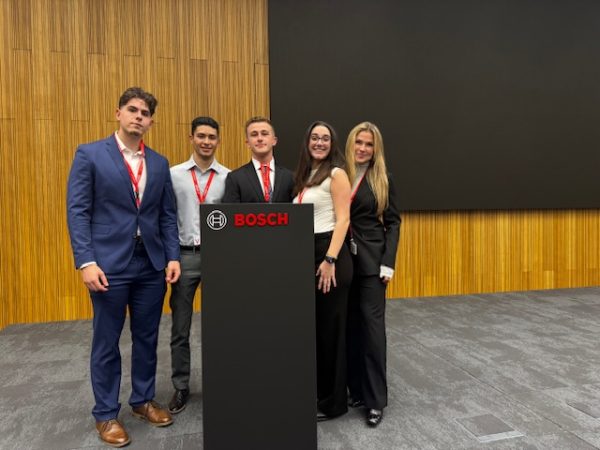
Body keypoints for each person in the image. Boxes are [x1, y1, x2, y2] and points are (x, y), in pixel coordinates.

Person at [67, 87, 181, 447]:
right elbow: (78, 211)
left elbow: (166, 215)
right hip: (108, 264)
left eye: (145, 113)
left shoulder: (159, 163)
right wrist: (86, 261)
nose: (138, 117)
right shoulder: (90, 155)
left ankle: (142, 400)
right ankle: (105, 414)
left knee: (147, 336)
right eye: (132, 110)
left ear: (150, 121)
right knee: (107, 340)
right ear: (118, 113)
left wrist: (173, 256)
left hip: (150, 262)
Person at [167, 116, 230, 414]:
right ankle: (181, 386)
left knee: (221, 326)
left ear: (218, 141)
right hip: (184, 256)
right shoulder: (174, 175)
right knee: (180, 326)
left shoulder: (229, 178)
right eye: (201, 136)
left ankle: (221, 383)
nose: (206, 141)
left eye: (212, 137)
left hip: (219, 258)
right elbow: (164, 218)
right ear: (191, 137)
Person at [293, 121, 352, 421]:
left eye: (325, 138)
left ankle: (334, 404)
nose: (319, 142)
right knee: (316, 332)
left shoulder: (337, 173)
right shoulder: (306, 176)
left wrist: (329, 259)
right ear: (307, 142)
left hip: (328, 254)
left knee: (331, 333)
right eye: (314, 138)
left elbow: (343, 220)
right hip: (308, 253)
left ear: (333, 143)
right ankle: (320, 394)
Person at [344, 122, 400, 427]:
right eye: (359, 143)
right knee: (349, 329)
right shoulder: (338, 175)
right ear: (351, 144)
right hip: (342, 263)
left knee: (373, 331)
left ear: (375, 149)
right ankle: (355, 390)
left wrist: (388, 262)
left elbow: (393, 223)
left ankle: (376, 399)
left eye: (369, 144)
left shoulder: (383, 179)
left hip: (372, 265)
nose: (363, 149)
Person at [222, 116, 294, 203]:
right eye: (254, 134)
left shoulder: (290, 177)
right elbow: (230, 213)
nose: (260, 138)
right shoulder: (235, 178)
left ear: (274, 141)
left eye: (264, 133)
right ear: (248, 143)